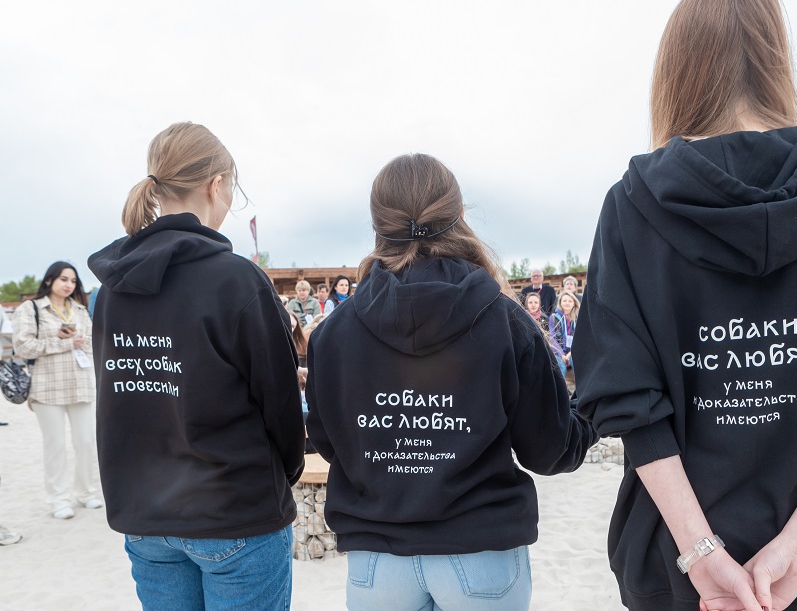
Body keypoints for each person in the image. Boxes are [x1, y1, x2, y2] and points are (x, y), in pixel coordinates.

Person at [572, 0, 797, 609]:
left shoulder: (632, 208)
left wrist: (701, 552)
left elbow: (626, 399)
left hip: (679, 572)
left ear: (674, 73)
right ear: (777, 59)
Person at [305, 153, 596, 611]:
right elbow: (550, 449)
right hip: (479, 552)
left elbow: (328, 439)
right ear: (458, 215)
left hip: (378, 561)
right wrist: (591, 409)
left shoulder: (333, 334)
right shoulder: (505, 321)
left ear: (378, 224)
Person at [87, 121, 305, 610]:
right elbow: (281, 403)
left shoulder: (110, 291)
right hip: (234, 511)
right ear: (216, 184)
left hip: (145, 513)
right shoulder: (237, 281)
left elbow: (118, 400)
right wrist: (286, 473)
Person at [12, 261, 100, 520]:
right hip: (47, 387)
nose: (68, 285)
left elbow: (92, 344)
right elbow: (23, 346)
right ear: (50, 280)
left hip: (81, 384)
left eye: (73, 281)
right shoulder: (31, 309)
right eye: (63, 279)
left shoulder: (80, 310)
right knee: (56, 445)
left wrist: (79, 342)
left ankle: (85, 492)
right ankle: (59, 499)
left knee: (85, 443)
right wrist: (63, 343)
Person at [549, 292, 578, 379]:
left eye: (570, 301)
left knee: (577, 363)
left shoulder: (577, 318)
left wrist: (570, 354)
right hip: (558, 351)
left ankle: (580, 387)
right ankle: (561, 388)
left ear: (574, 303)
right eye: (564, 300)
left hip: (573, 351)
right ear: (560, 302)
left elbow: (579, 338)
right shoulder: (554, 317)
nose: (567, 303)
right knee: (561, 366)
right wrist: (562, 355)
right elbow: (552, 338)